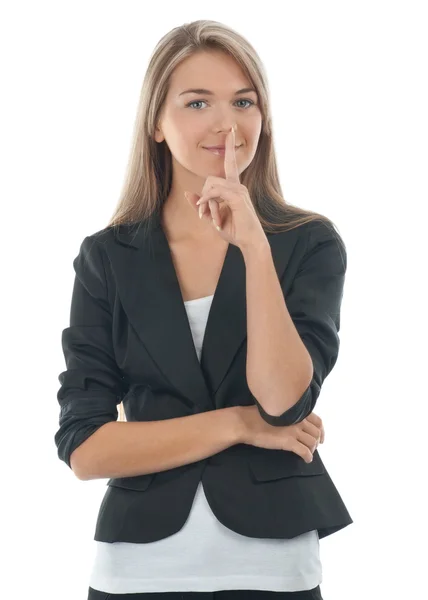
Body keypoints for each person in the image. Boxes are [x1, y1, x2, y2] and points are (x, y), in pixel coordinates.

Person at [54, 19, 353, 600]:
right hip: (136, 571)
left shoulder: (307, 243)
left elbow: (285, 399)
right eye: (198, 102)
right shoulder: (108, 256)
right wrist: (239, 425)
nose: (227, 123)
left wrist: (254, 246)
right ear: (156, 124)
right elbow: (87, 450)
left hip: (273, 570)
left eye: (244, 101)